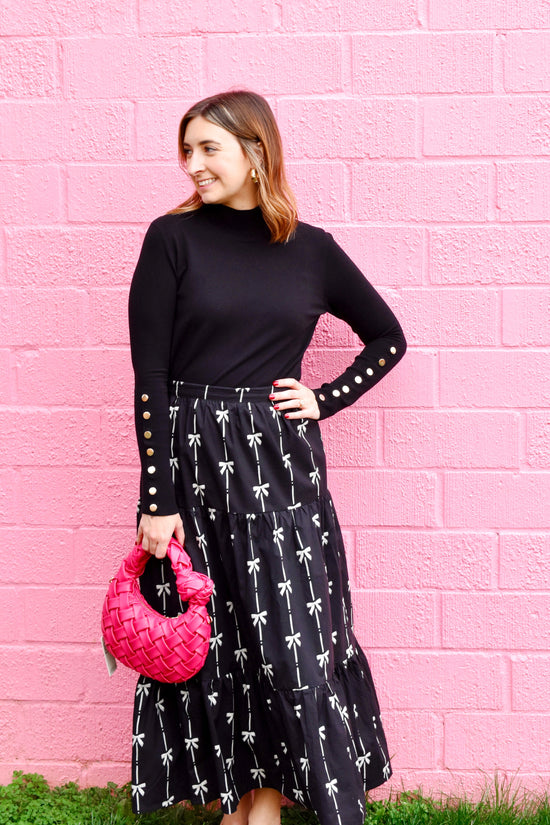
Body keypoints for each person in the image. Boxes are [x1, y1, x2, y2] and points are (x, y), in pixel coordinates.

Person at [128, 89, 406, 825]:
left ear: (256, 151)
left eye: (208, 148)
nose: (193, 165)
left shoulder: (311, 248)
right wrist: (158, 497)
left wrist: (325, 397)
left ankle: (269, 800)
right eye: (185, 150)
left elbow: (388, 337)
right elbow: (150, 376)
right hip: (195, 463)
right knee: (220, 638)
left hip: (280, 467)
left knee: (291, 639)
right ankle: (244, 804)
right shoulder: (170, 240)